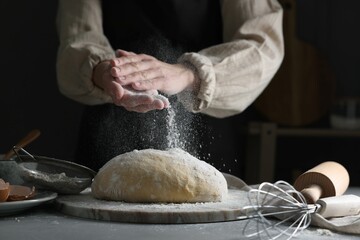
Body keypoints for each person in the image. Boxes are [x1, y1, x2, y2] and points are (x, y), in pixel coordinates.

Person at [56, 0, 284, 171]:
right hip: (109, 125)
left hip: (207, 127)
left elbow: (263, 45)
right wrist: (103, 70)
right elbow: (77, 35)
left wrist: (189, 73)